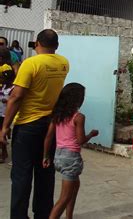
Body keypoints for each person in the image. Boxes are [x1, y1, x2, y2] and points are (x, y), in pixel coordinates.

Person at [0, 29, 69, 219]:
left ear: (37, 43)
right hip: (51, 126)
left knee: (22, 175)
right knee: (45, 173)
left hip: (28, 125)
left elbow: (16, 97)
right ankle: (43, 214)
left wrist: (5, 127)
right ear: (56, 45)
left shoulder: (31, 63)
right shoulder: (64, 63)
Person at [43, 83, 99, 219]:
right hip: (71, 158)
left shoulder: (57, 115)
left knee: (75, 185)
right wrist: (91, 134)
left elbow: (49, 137)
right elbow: (80, 140)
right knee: (64, 198)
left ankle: (69, 216)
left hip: (58, 156)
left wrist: (45, 156)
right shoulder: (78, 117)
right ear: (78, 99)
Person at [0, 68, 15, 163]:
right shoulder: (3, 86)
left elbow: (15, 100)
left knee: (2, 133)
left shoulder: (13, 89)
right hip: (0, 112)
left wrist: (8, 100)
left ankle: (4, 152)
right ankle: (4, 151)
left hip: (6, 114)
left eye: (2, 78)